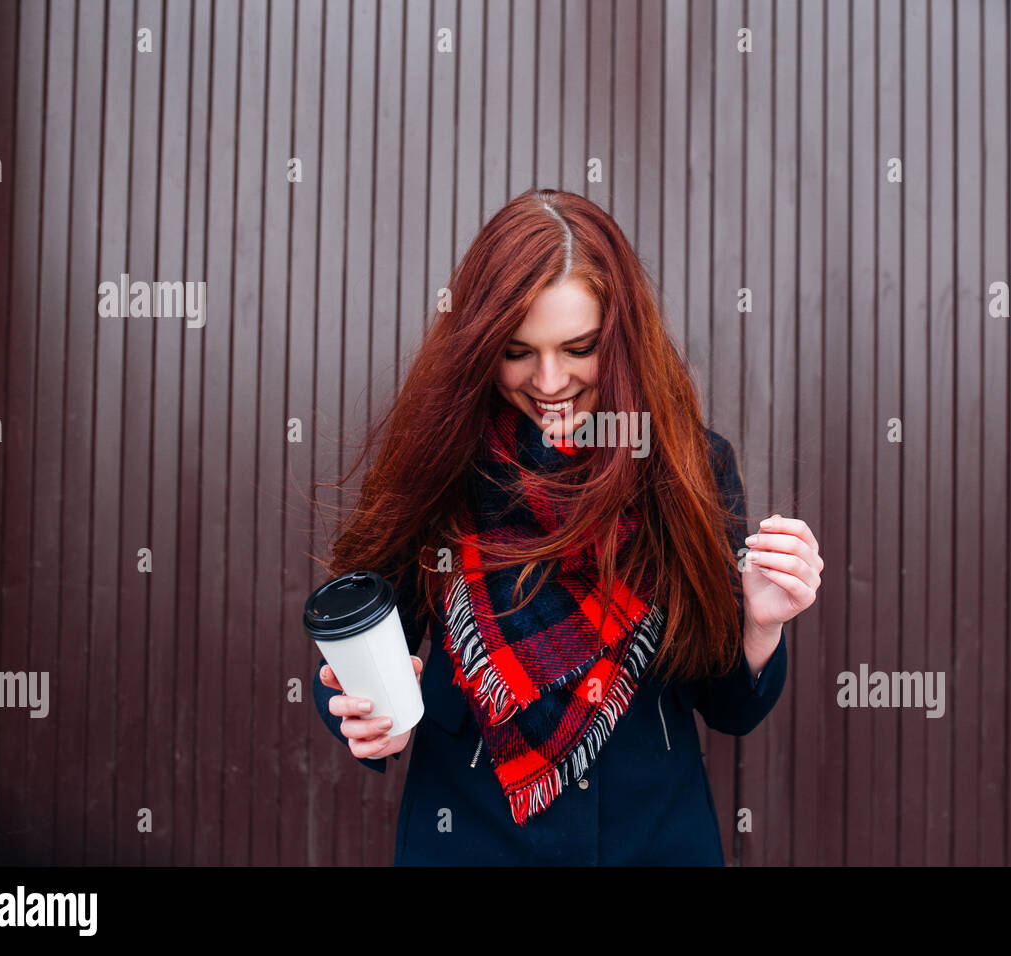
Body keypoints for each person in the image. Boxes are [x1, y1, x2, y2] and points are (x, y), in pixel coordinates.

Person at [311, 187, 823, 865]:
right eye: (516, 351)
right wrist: (372, 715)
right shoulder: (436, 464)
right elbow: (370, 651)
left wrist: (760, 626)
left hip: (655, 843)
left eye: (578, 347)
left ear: (621, 334)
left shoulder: (688, 464)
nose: (549, 380)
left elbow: (729, 708)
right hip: (472, 843)